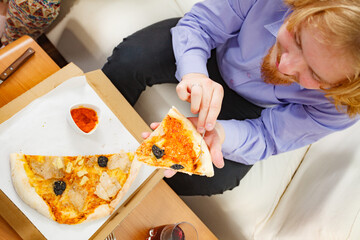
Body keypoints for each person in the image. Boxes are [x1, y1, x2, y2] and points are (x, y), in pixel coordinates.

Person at [102, 0, 360, 196]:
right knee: (130, 60)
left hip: (251, 108)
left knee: (214, 175)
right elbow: (201, 25)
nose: (285, 66)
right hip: (214, 47)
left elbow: (270, 137)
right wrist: (194, 73)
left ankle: (124, 189)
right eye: (299, 41)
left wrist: (222, 134)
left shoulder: (344, 105)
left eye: (314, 73)